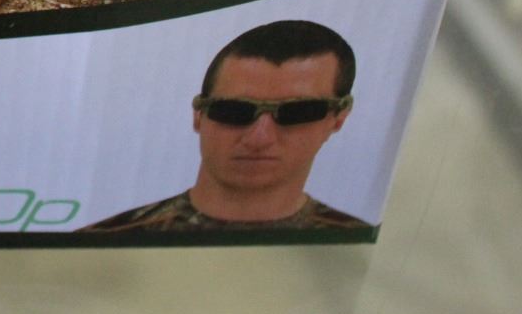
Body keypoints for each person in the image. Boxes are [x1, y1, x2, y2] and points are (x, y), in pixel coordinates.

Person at [84, 19, 370, 233]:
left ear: (339, 117)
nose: (259, 138)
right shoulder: (104, 242)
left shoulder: (354, 249)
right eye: (233, 111)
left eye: (298, 112)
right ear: (198, 115)